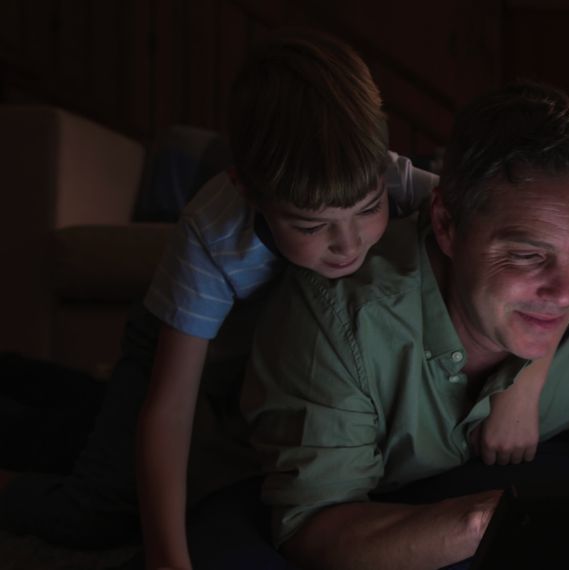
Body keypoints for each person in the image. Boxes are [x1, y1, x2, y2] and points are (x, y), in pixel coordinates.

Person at [0, 29, 462, 569]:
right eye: (311, 224)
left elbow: (495, 224)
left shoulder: (387, 177)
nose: (348, 242)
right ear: (247, 190)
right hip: (177, 350)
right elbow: (170, 407)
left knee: (82, 427)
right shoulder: (214, 236)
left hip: (263, 364)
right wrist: (169, 559)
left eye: (367, 209)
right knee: (97, 512)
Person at [240, 80, 569, 569]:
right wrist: (491, 523)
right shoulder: (338, 317)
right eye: (528, 255)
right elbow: (311, 527)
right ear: (446, 224)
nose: (565, 291)